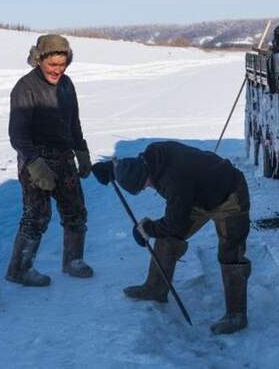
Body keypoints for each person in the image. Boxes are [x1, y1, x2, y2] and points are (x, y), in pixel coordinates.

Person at [91, 141, 251, 335]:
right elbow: (131, 167)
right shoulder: (151, 156)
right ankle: (156, 288)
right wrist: (113, 169)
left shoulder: (174, 181)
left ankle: (236, 315)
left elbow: (176, 222)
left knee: (230, 251)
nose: (147, 188)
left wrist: (148, 229)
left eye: (144, 186)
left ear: (145, 176)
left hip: (229, 193)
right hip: (197, 194)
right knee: (167, 236)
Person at [5, 34, 93, 287]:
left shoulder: (67, 85)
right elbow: (17, 134)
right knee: (37, 216)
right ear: (39, 59)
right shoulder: (25, 88)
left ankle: (73, 261)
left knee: (76, 211)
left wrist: (82, 151)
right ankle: (19, 269)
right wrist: (34, 164)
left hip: (64, 156)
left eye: (62, 64)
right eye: (52, 65)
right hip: (36, 158)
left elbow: (73, 122)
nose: (58, 70)